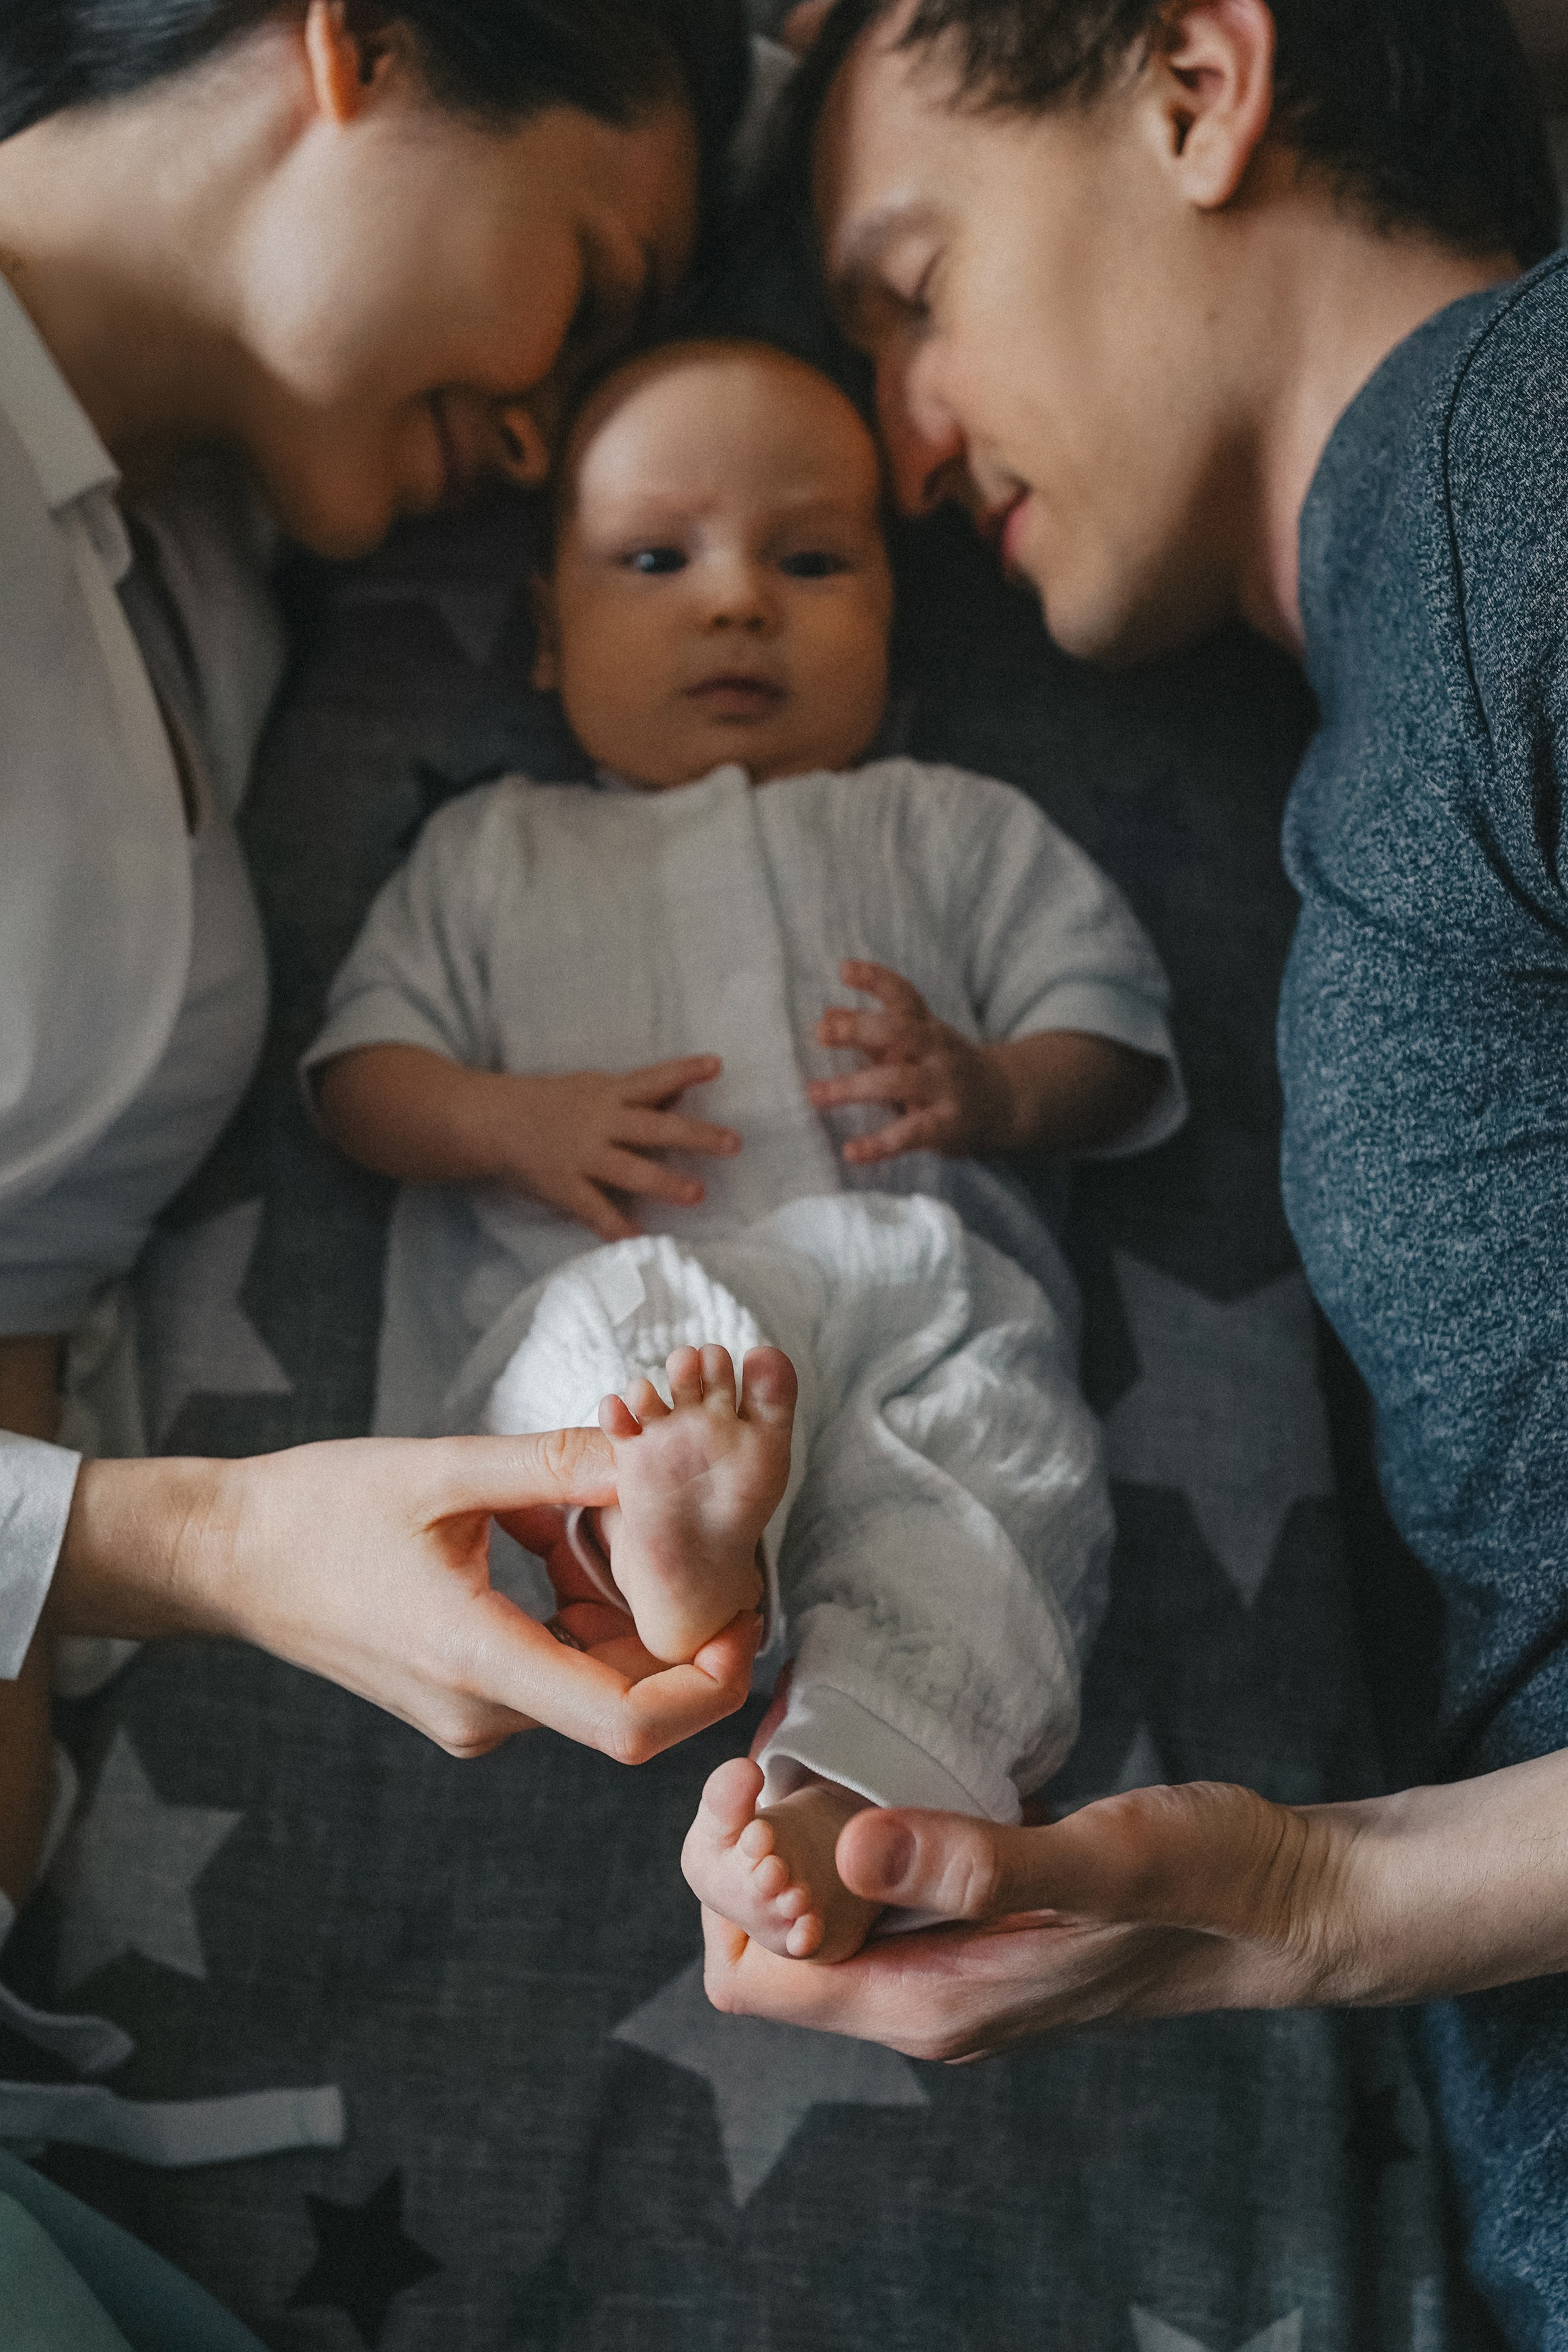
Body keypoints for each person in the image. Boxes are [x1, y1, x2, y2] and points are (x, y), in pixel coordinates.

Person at [691, 2, 1568, 2342]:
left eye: (914, 285)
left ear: (1197, 80)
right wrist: (1311, 1901)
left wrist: (1341, 1899)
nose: (894, 439)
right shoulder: (1415, 645)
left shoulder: (1524, 462)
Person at [0, 0, 770, 1929]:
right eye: (588, 288)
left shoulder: (186, 578)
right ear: (369, 46)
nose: (540, 438)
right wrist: (210, 1541)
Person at [304, 334, 1182, 1962]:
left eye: (812, 559)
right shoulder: (495, 848)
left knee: (995, 1498)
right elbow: (360, 1079)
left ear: (895, 621)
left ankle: (837, 1811)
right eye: (656, 558)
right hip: (634, 1297)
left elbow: (1115, 1038)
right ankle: (660, 1543)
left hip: (920, 1307)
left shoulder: (943, 821)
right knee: (593, 1361)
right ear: (551, 641)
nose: (735, 601)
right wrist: (507, 1117)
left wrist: (994, 1089)